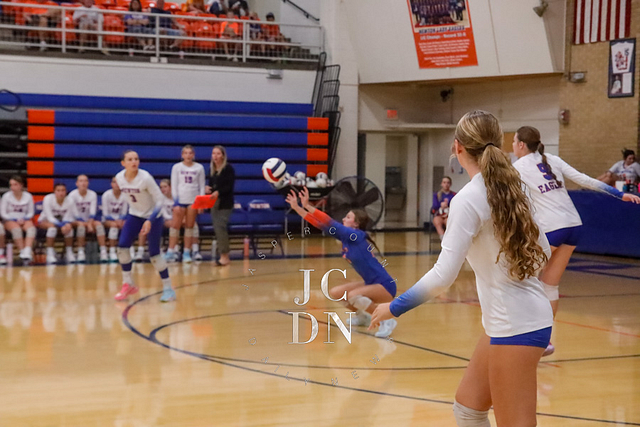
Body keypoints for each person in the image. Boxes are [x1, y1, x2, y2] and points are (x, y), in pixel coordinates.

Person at [370, 111, 554, 426]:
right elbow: (544, 253)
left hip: (517, 325)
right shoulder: (514, 187)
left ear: (457, 147)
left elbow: (443, 277)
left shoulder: (468, 199)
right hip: (514, 320)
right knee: (468, 408)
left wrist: (394, 307)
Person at [511, 126, 640, 356]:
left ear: (521, 145)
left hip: (553, 229)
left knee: (521, 281)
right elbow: (585, 180)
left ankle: (521, 334)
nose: (512, 146)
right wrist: (620, 195)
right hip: (573, 226)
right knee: (549, 285)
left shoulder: (518, 167)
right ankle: (545, 342)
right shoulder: (552, 159)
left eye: (513, 141)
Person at [287, 187, 398, 337]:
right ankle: (362, 317)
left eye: (348, 217)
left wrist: (307, 205)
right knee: (336, 293)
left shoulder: (356, 235)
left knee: (353, 295)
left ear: (356, 224)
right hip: (371, 283)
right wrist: (297, 208)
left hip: (385, 286)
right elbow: (318, 223)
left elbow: (328, 221)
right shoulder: (346, 238)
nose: (344, 219)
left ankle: (385, 320)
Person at [115, 150, 176, 302]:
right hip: (135, 215)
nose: (134, 162)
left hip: (153, 216)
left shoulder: (146, 178)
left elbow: (160, 200)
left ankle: (168, 289)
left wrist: (150, 219)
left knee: (154, 255)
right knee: (122, 247)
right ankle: (128, 283)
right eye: (130, 159)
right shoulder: (119, 178)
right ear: (123, 163)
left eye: (136, 159)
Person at [165, 145, 205, 263]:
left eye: (190, 153)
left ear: (193, 155)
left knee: (189, 226)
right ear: (182, 155)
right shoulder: (177, 167)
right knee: (175, 226)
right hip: (180, 200)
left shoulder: (199, 168)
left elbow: (201, 186)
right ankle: (170, 251)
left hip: (193, 201)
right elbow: (174, 185)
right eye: (185, 153)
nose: (188, 155)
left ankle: (187, 252)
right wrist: (176, 202)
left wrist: (201, 203)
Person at [68, 174, 108, 263]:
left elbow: (92, 212)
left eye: (85, 181)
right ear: (77, 183)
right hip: (75, 220)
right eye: (81, 181)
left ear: (88, 183)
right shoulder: (72, 195)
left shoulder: (92, 194)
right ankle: (80, 251)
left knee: (99, 225)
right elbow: (75, 213)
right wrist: (87, 224)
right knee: (81, 227)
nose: (83, 183)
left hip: (89, 220)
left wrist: (89, 223)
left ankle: (103, 251)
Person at [206, 145, 235, 266]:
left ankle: (225, 256)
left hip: (225, 203)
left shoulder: (228, 169)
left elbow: (229, 186)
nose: (215, 156)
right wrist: (208, 189)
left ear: (223, 156)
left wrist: (218, 192)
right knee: (217, 229)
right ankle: (223, 254)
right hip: (214, 203)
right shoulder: (212, 170)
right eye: (214, 153)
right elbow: (212, 186)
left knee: (220, 227)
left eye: (218, 154)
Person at [135, 178, 174, 261]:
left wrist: (175, 220)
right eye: (161, 187)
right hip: (161, 219)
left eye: (165, 187)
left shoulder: (176, 197)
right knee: (144, 227)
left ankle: (174, 251)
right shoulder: (159, 198)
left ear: (171, 187)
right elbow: (162, 213)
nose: (163, 189)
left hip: (174, 220)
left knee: (183, 225)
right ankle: (140, 252)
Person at [0, 176, 36, 263]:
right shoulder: (6, 196)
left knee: (31, 228)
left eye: (15, 184)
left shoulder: (28, 196)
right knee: (16, 229)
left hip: (24, 218)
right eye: (11, 185)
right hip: (10, 219)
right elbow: (3, 213)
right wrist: (14, 219)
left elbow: (31, 212)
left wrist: (24, 218)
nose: (12, 187)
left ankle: (27, 250)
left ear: (21, 185)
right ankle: (22, 251)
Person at [38, 183, 75, 264]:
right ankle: (50, 253)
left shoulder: (70, 200)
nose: (61, 193)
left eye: (63, 190)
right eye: (58, 190)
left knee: (69, 229)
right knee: (52, 228)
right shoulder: (48, 199)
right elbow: (50, 217)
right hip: (45, 221)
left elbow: (68, 216)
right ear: (54, 191)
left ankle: (69, 252)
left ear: (66, 192)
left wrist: (66, 225)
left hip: (62, 222)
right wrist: (61, 225)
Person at [102, 177, 129, 263]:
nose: (117, 184)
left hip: (121, 219)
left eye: (119, 182)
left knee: (128, 225)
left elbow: (124, 212)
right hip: (108, 219)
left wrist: (120, 220)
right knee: (113, 226)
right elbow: (105, 213)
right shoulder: (106, 195)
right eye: (114, 182)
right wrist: (115, 221)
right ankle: (112, 251)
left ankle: (128, 249)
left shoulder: (125, 195)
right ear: (111, 184)